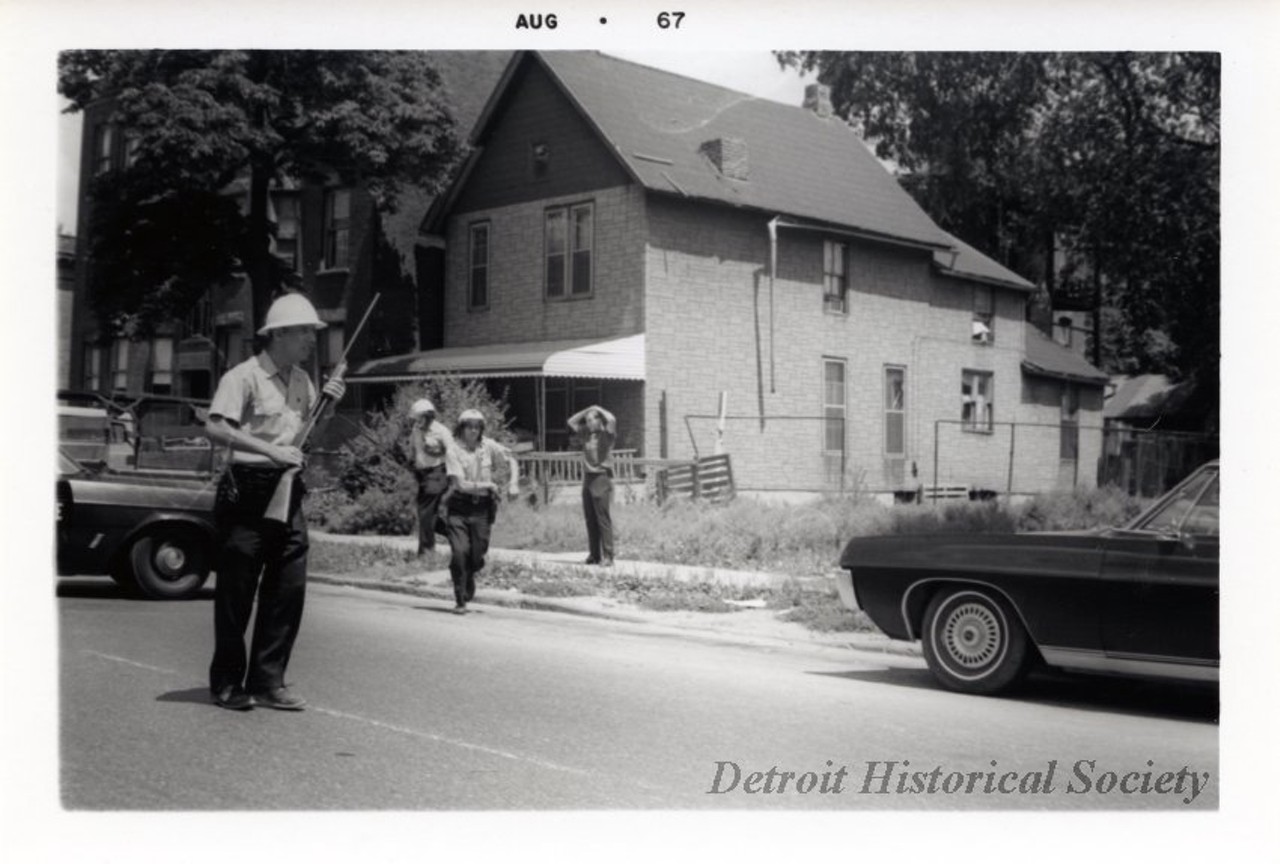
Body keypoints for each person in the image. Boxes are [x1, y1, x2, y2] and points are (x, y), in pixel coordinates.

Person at [204, 292, 345, 712]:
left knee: (288, 587)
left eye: (312, 332)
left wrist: (329, 408)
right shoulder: (242, 377)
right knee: (237, 591)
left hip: (288, 489)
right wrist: (269, 452)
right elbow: (215, 427)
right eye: (304, 331)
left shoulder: (303, 381)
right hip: (246, 491)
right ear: (278, 334)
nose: (311, 340)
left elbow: (308, 439)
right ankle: (228, 683)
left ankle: (268, 681)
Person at [442, 409, 520, 614]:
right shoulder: (453, 451)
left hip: (482, 509)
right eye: (469, 427)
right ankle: (460, 598)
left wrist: (513, 483)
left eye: (477, 427)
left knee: (477, 554)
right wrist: (489, 485)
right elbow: (460, 484)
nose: (473, 431)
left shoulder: (488, 446)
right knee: (460, 552)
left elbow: (512, 458)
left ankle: (470, 573)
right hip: (459, 507)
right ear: (461, 428)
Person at [567, 404, 617, 566]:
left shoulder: (607, 434)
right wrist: (587, 410)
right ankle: (594, 555)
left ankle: (608, 556)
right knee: (590, 518)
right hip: (588, 478)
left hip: (601, 477)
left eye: (591, 420)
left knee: (602, 518)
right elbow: (571, 421)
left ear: (598, 420)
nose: (588, 423)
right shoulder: (586, 434)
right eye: (587, 421)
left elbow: (611, 419)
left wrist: (599, 409)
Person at [409, 398, 454, 555]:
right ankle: (457, 534)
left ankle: (426, 551)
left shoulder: (442, 431)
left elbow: (453, 454)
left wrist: (454, 479)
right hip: (422, 474)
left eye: (419, 418)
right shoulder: (416, 430)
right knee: (428, 515)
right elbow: (414, 450)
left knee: (425, 512)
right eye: (415, 419)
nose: (416, 421)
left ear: (429, 416)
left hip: (438, 473)